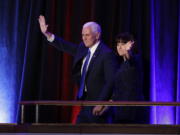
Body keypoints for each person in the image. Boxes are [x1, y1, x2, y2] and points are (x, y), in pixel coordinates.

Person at [38, 15, 119, 123]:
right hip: (84, 104)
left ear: (97, 35)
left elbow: (111, 82)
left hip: (98, 107)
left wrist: (101, 103)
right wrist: (47, 34)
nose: (84, 38)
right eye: (82, 35)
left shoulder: (107, 54)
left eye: (87, 35)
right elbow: (65, 46)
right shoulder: (83, 48)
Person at [112, 33, 148, 124]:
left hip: (133, 111)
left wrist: (128, 51)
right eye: (118, 44)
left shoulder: (136, 60)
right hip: (121, 110)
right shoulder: (121, 65)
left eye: (123, 44)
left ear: (130, 46)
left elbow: (131, 59)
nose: (119, 47)